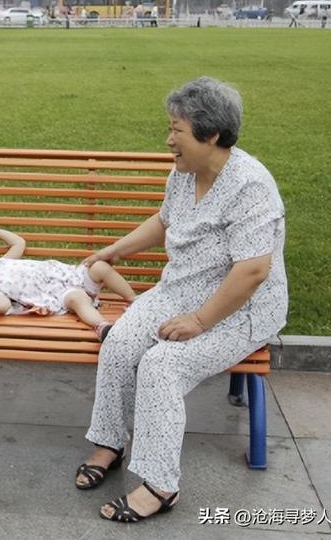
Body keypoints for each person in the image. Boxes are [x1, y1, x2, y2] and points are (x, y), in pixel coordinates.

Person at [75, 77, 287, 524]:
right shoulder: (185, 171)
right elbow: (165, 221)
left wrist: (199, 320)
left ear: (211, 136)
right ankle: (110, 442)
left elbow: (252, 271)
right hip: (180, 290)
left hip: (240, 309)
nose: (168, 139)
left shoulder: (251, 187)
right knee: (120, 342)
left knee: (161, 365)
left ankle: (160, 484)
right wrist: (115, 250)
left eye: (177, 130)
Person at [0, 227, 137, 341]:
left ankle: (132, 299)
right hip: (61, 295)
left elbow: (19, 243)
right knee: (78, 300)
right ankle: (101, 326)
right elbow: (4, 306)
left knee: (100, 267)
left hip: (73, 275)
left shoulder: (2, 263)